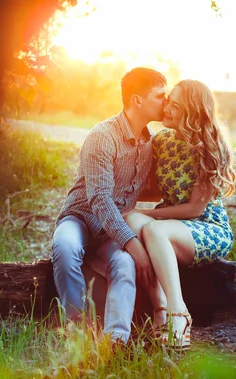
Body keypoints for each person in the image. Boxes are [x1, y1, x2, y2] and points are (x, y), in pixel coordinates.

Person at [51, 67, 167, 345]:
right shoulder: (102, 136)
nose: (167, 101)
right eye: (160, 96)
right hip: (79, 218)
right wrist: (132, 242)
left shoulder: (152, 143)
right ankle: (78, 332)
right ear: (137, 100)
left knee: (125, 265)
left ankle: (116, 341)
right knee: (65, 249)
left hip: (111, 230)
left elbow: (144, 188)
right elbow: (100, 198)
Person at [123, 79, 236, 350]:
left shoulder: (211, 145)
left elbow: (194, 208)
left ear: (192, 111)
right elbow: (151, 190)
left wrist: (145, 212)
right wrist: (117, 195)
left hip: (205, 226)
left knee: (150, 227)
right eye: (167, 102)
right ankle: (160, 309)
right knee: (129, 219)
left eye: (175, 105)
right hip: (169, 222)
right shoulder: (161, 141)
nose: (166, 109)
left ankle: (177, 313)